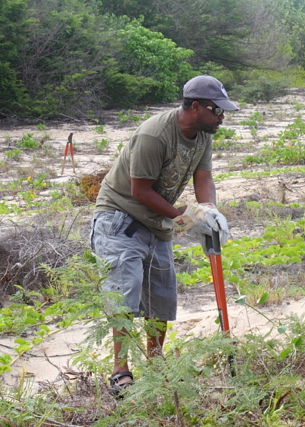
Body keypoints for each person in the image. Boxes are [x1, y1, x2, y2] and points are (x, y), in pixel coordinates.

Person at [90, 75, 238, 395]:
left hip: (157, 222)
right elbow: (140, 191)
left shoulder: (203, 134)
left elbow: (203, 177)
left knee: (161, 298)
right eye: (218, 110)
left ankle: (157, 366)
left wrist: (208, 209)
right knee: (125, 295)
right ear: (195, 107)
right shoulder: (154, 135)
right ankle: (120, 371)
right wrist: (186, 219)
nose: (222, 117)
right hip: (120, 219)